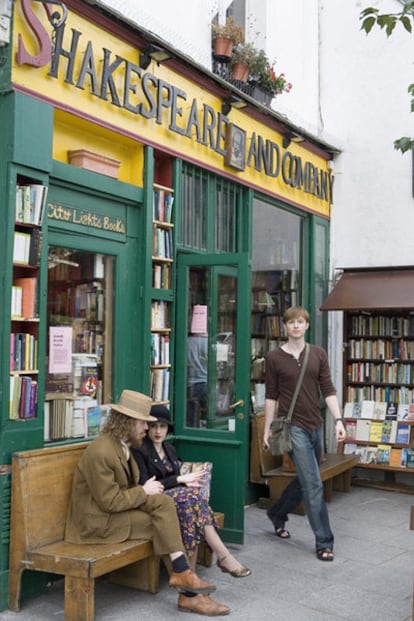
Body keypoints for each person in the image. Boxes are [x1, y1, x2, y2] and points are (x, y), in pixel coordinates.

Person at [65, 389, 230, 616]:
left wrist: (149, 493)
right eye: (144, 423)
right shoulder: (101, 451)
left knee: (164, 506)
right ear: (128, 422)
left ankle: (184, 577)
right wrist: (144, 491)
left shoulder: (123, 446)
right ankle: (189, 591)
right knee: (160, 523)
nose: (147, 429)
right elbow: (109, 502)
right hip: (96, 524)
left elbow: (126, 493)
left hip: (115, 514)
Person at [262, 306, 346, 562]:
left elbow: (328, 389)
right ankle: (324, 542)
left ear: (307, 325)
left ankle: (277, 513)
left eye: (300, 322)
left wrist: (338, 420)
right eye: (291, 322)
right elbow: (271, 396)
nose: (296, 326)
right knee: (313, 484)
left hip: (315, 425)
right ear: (285, 327)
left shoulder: (318, 354)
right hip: (292, 428)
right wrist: (267, 428)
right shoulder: (274, 358)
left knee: (306, 479)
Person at [132, 404, 251, 578]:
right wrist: (179, 480)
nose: (158, 431)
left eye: (162, 426)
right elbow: (146, 484)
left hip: (179, 500)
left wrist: (188, 480)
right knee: (192, 500)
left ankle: (191, 573)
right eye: (154, 426)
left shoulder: (169, 449)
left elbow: (179, 477)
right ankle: (222, 557)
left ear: (168, 429)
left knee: (192, 505)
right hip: (155, 501)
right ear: (147, 427)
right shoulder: (140, 450)